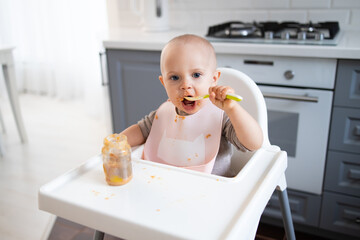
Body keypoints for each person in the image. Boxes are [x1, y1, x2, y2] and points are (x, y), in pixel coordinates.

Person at [120, 34, 263, 176]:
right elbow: (140, 131)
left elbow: (253, 143)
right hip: (171, 186)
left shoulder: (220, 115)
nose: (185, 85)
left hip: (214, 191)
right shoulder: (164, 114)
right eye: (174, 77)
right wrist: (116, 143)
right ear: (164, 83)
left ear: (213, 79)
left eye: (196, 75)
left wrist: (233, 109)